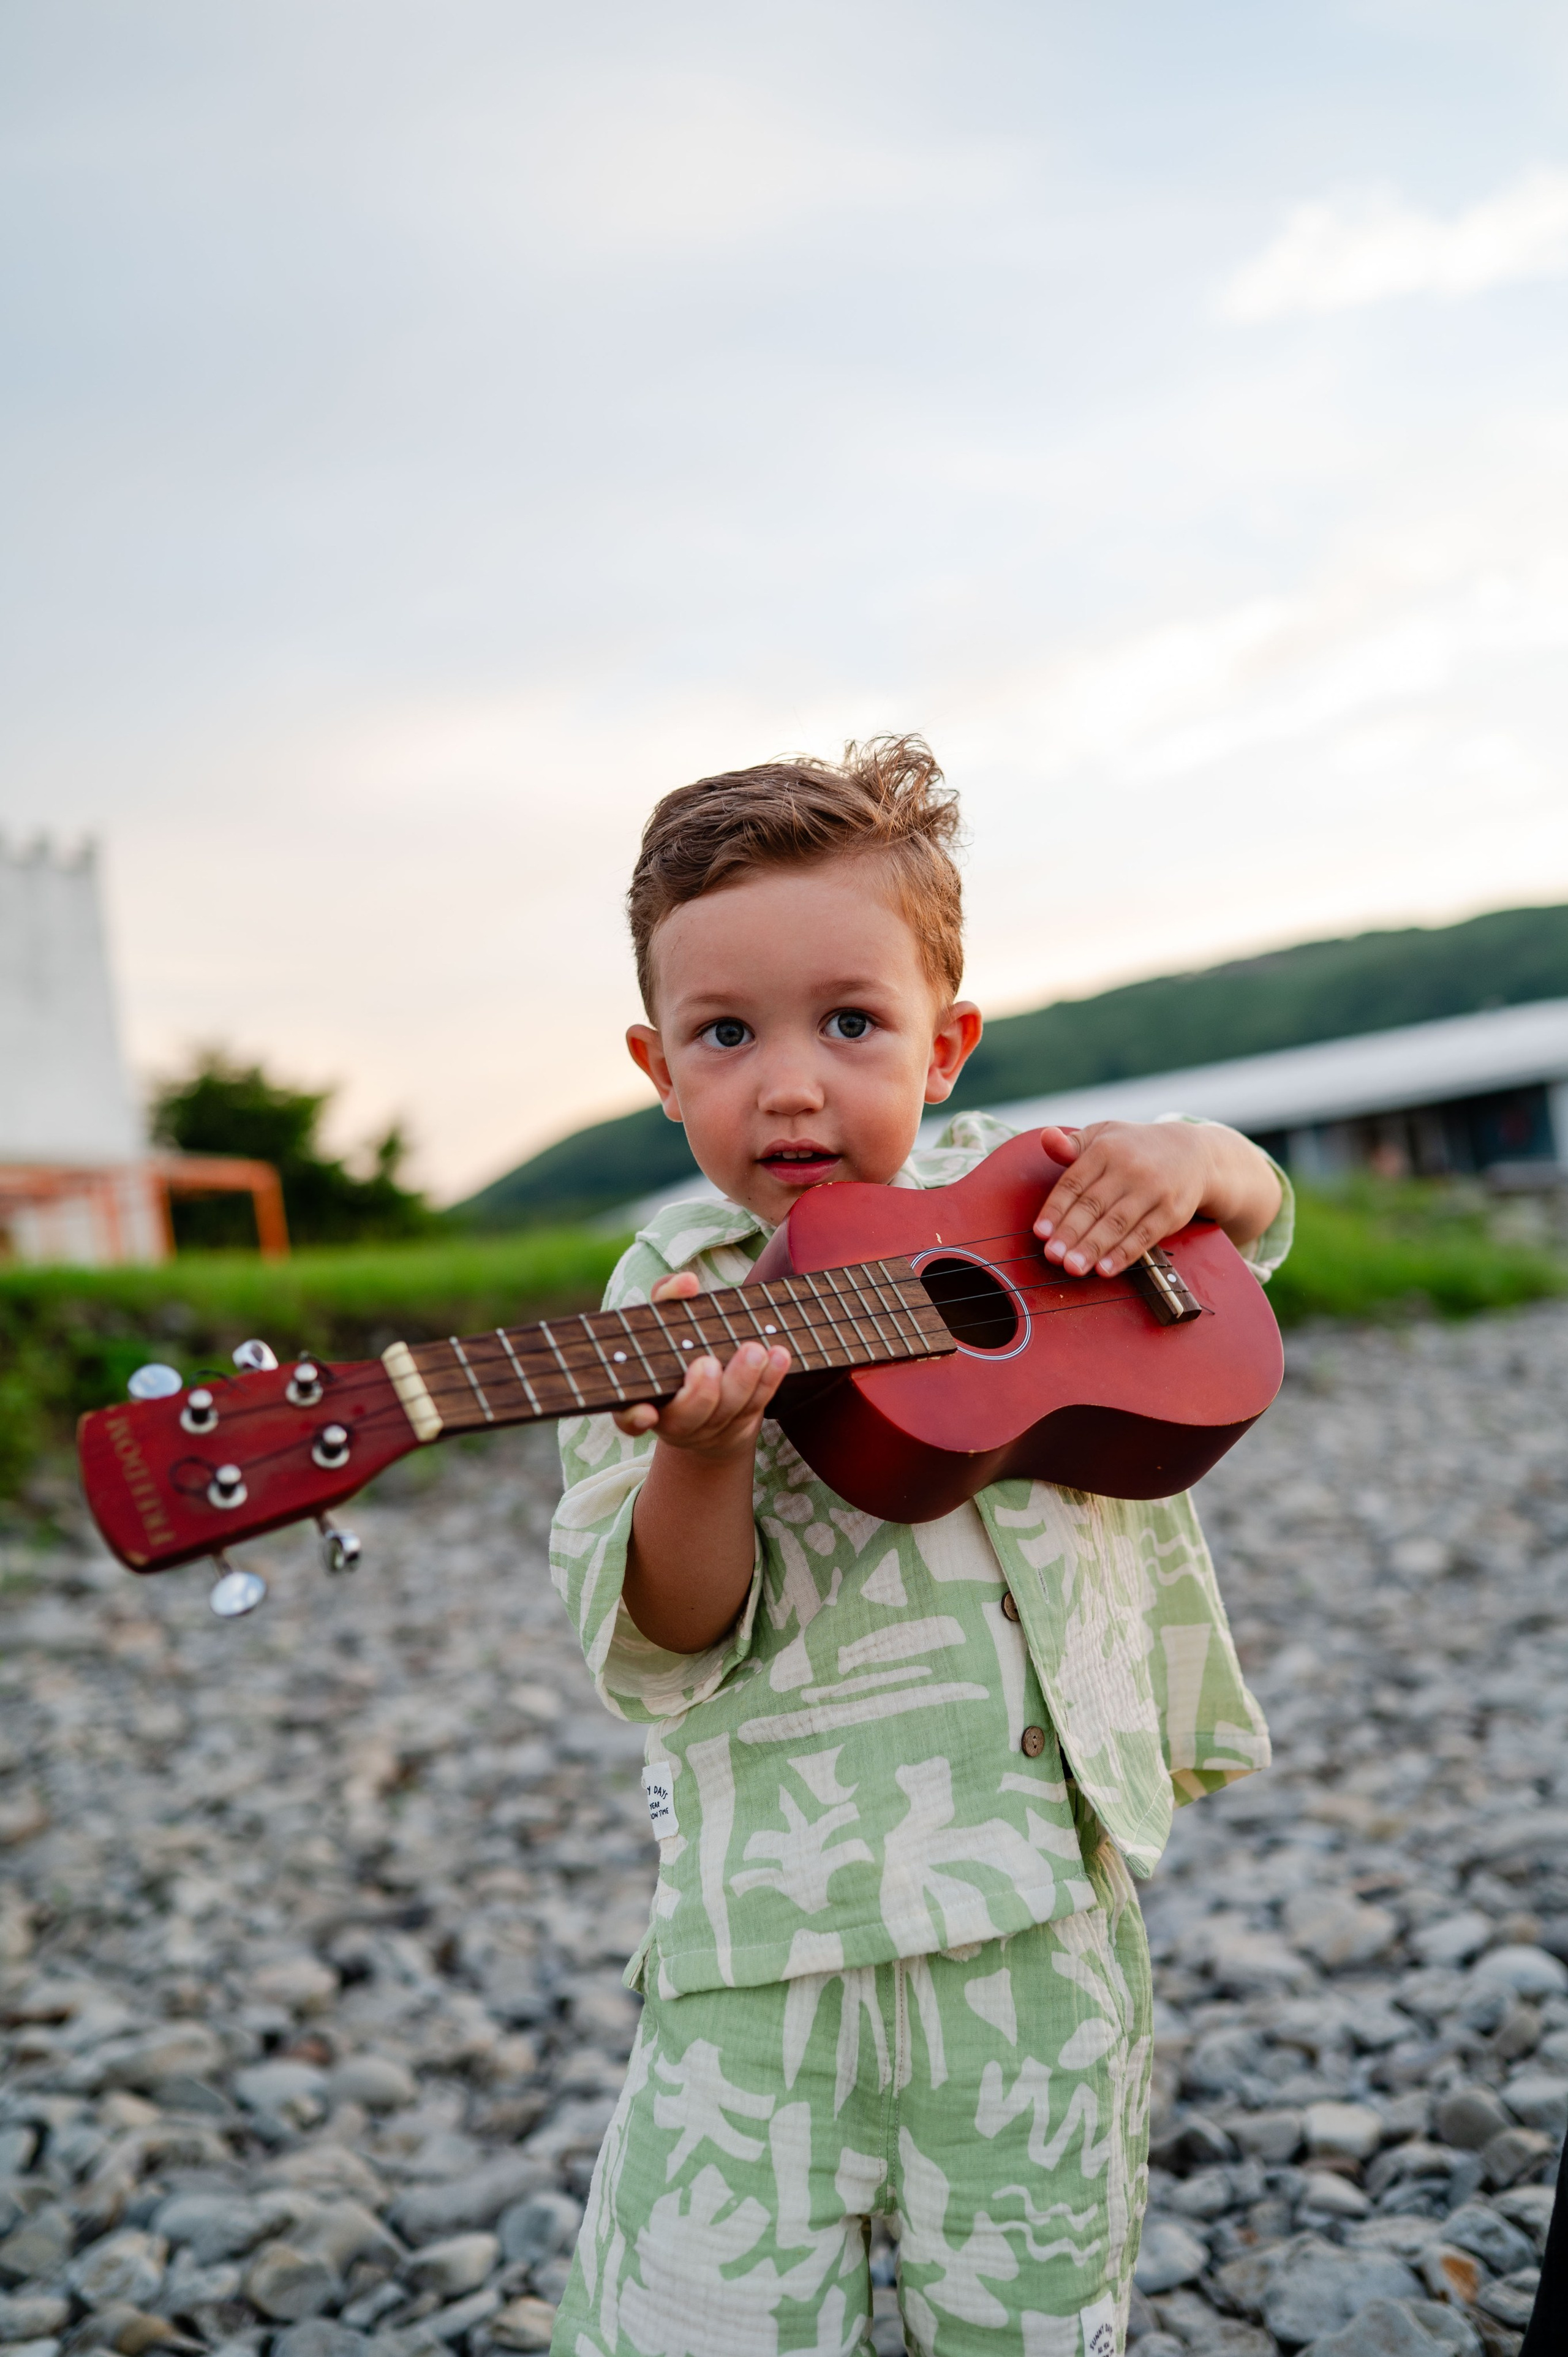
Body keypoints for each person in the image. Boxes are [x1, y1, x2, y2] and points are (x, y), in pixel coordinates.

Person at [547, 737, 1291, 2357]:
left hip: (1044, 1918)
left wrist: (1197, 1154)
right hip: (768, 1942)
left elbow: (1253, 1212)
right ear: (659, 1066)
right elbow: (670, 1629)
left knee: (1033, 2320)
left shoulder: (1035, 1200)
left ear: (945, 1046)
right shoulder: (664, 1301)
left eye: (851, 1022)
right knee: (695, 2322)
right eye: (726, 1035)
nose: (793, 1081)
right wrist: (704, 1454)